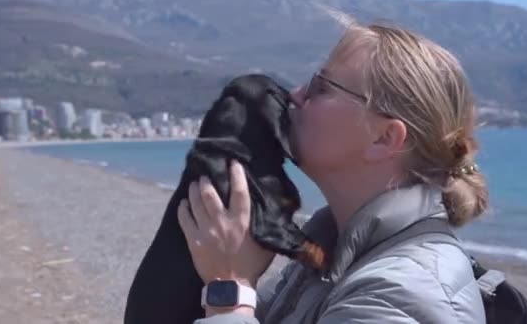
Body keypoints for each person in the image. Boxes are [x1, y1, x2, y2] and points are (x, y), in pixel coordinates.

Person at [177, 16, 489, 323]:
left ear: (384, 138)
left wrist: (230, 286)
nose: (296, 94)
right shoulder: (333, 252)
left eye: (321, 87)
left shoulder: (400, 295)